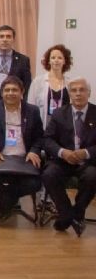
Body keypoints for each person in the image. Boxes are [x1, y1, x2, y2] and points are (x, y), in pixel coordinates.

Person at [0, 76, 43, 221]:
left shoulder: (32, 111)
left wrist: (33, 151)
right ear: (1, 93)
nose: (11, 93)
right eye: (7, 90)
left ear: (22, 92)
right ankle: (8, 201)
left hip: (23, 159)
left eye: (15, 90)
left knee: (35, 182)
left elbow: (40, 137)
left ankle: (4, 201)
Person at [41, 77, 96, 236]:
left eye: (82, 90)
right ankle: (67, 214)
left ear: (89, 93)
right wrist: (62, 152)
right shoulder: (59, 113)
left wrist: (85, 153)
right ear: (69, 94)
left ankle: (76, 214)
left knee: (92, 176)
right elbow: (47, 139)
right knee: (49, 174)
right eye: (74, 90)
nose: (78, 94)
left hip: (88, 162)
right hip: (63, 161)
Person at [28, 44, 73, 128]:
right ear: (48, 61)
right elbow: (31, 106)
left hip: (64, 128)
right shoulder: (38, 81)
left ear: (64, 61)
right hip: (42, 127)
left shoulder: (70, 83)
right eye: (53, 58)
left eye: (60, 58)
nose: (56, 60)